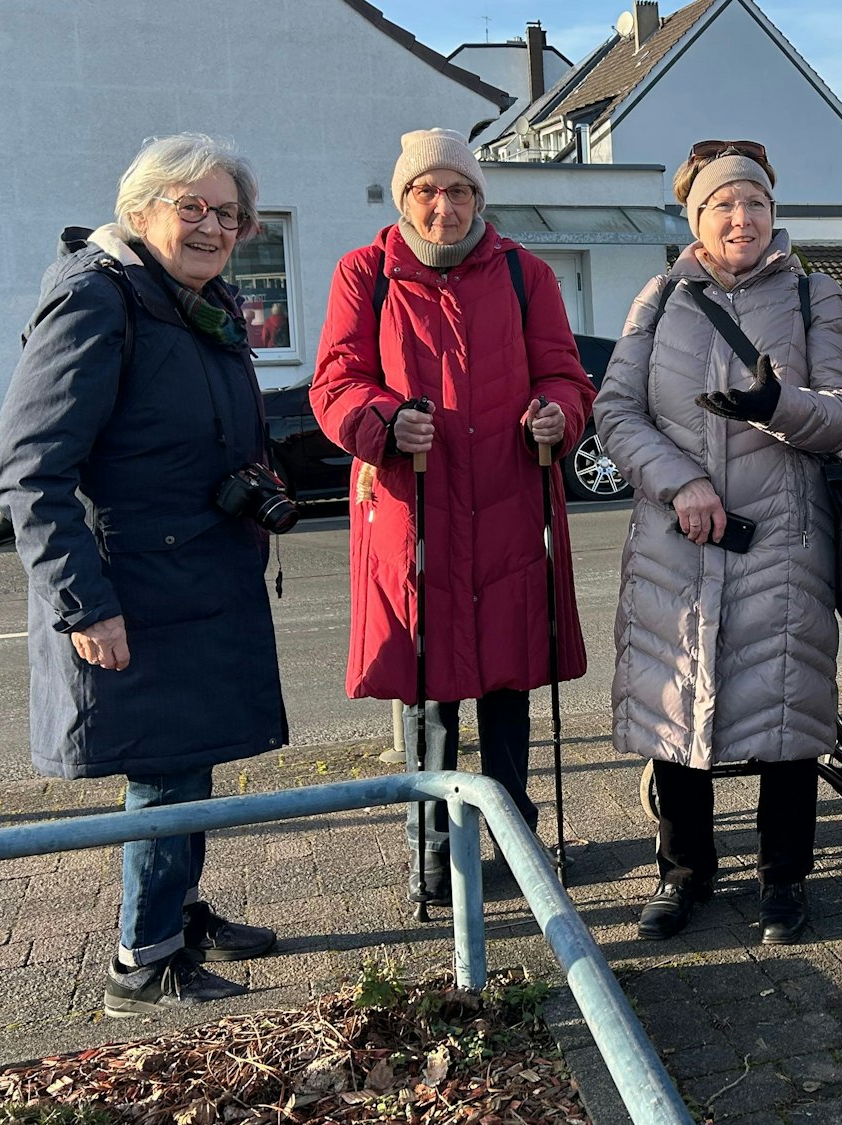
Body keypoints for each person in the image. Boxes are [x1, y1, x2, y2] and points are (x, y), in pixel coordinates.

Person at [0, 134, 289, 1015]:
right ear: (139, 211)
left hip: (199, 578)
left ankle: (180, 912)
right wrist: (86, 604)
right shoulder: (97, 299)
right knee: (161, 767)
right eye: (190, 206)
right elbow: (29, 469)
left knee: (188, 762)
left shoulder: (195, 302)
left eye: (227, 214)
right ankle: (142, 960)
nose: (212, 226)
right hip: (135, 592)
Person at [311, 129, 594, 906]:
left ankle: (517, 843)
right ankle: (432, 856)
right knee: (429, 691)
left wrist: (556, 415)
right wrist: (384, 422)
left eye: (460, 190)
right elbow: (336, 382)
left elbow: (567, 376)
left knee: (508, 688)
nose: (444, 205)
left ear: (479, 198)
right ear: (405, 199)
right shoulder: (363, 275)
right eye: (427, 191)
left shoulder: (524, 274)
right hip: (417, 509)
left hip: (508, 502)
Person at [596, 140, 842, 946]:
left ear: (773, 214)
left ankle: (784, 879)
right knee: (675, 701)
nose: (741, 217)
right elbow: (616, 411)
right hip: (676, 538)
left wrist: (777, 404)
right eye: (723, 204)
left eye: (754, 203)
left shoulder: (818, 293)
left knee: (786, 706)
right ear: (697, 218)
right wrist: (680, 482)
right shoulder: (660, 296)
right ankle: (684, 871)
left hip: (781, 537)